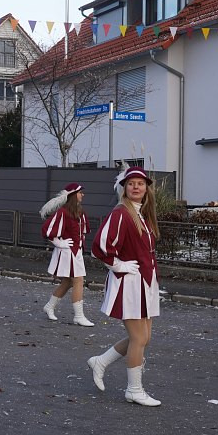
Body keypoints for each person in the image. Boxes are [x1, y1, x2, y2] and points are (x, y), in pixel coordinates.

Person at [88, 167, 162, 407]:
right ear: (125, 187)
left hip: (145, 282)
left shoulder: (143, 214)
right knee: (139, 338)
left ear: (146, 188)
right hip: (129, 283)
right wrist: (117, 265)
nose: (136, 187)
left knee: (144, 338)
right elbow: (100, 246)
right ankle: (134, 390)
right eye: (132, 183)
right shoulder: (121, 213)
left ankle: (101, 361)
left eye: (141, 183)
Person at [40, 183, 93, 327]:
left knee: (68, 282)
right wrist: (58, 242)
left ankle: (50, 306)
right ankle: (79, 316)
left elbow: (83, 232)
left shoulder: (80, 212)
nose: (83, 195)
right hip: (67, 252)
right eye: (80, 192)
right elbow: (47, 229)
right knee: (78, 280)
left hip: (76, 252)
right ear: (73, 195)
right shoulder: (63, 212)